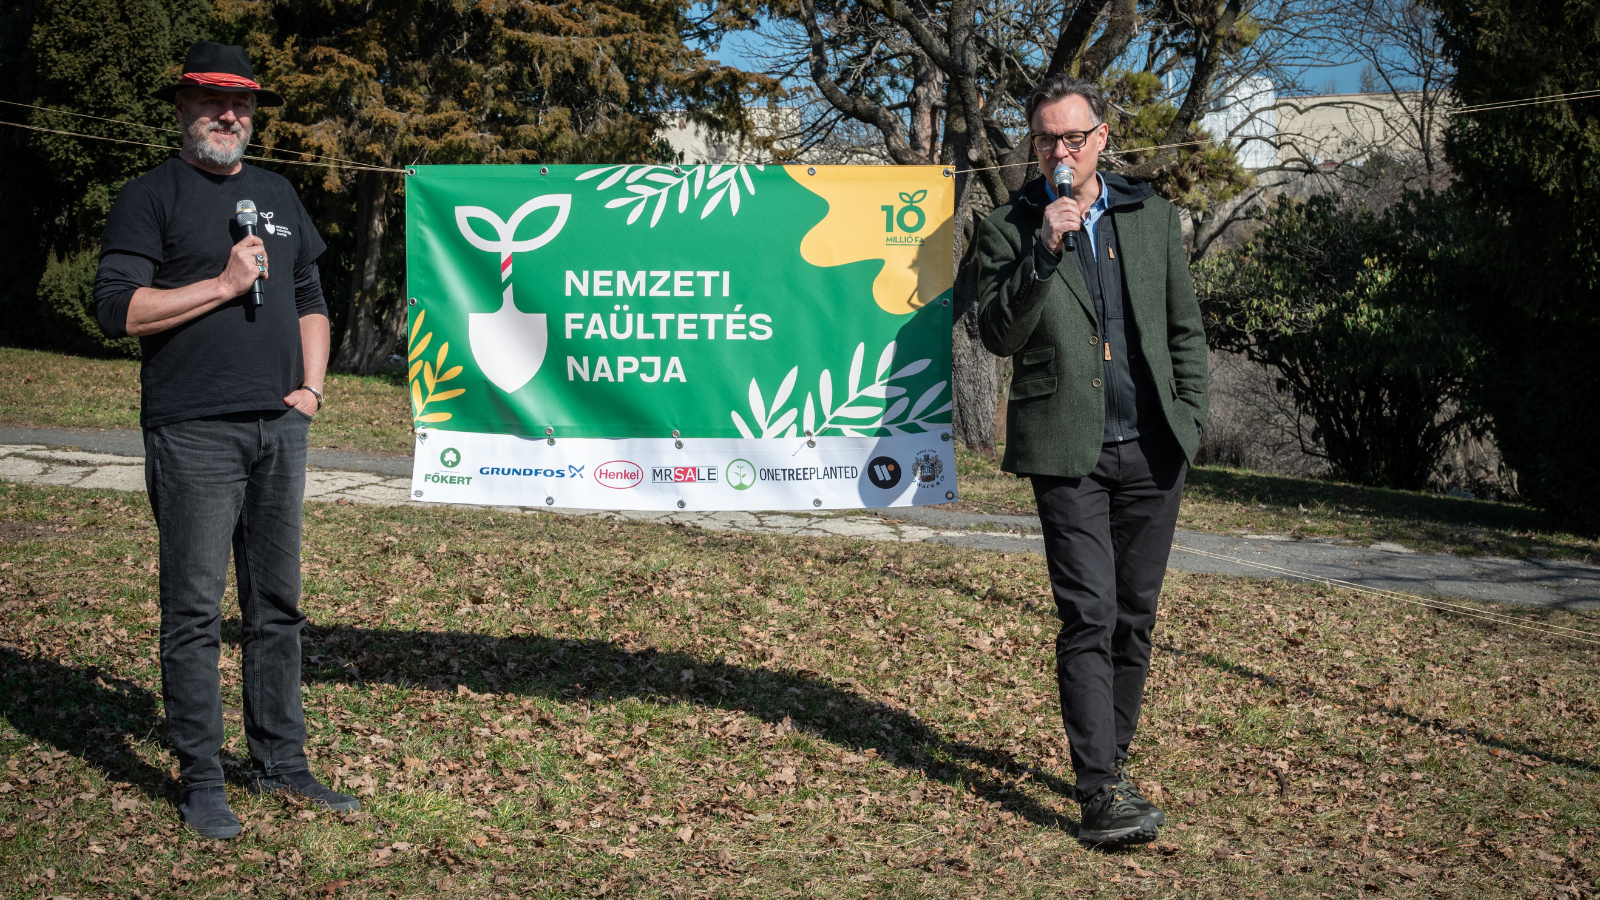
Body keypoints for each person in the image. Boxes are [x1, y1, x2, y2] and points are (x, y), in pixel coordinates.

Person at [93, 41, 359, 839]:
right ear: (182, 108)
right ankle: (202, 779)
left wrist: (311, 391)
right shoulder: (151, 196)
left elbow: (310, 297)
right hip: (194, 431)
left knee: (276, 606)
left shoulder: (276, 193)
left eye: (241, 104)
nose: (228, 115)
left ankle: (282, 762)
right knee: (194, 610)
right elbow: (116, 309)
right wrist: (222, 284)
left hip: (280, 428)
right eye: (212, 101)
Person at [976, 75, 1208, 846]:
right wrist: (1044, 250)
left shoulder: (1151, 217)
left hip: (1153, 449)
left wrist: (1190, 419)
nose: (1061, 152)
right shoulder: (1010, 226)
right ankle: (1100, 790)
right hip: (1064, 448)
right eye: (1046, 139)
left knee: (1134, 619)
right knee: (1089, 615)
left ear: (1102, 137)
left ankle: (1113, 761)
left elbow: (1184, 330)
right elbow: (997, 334)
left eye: (1073, 137)